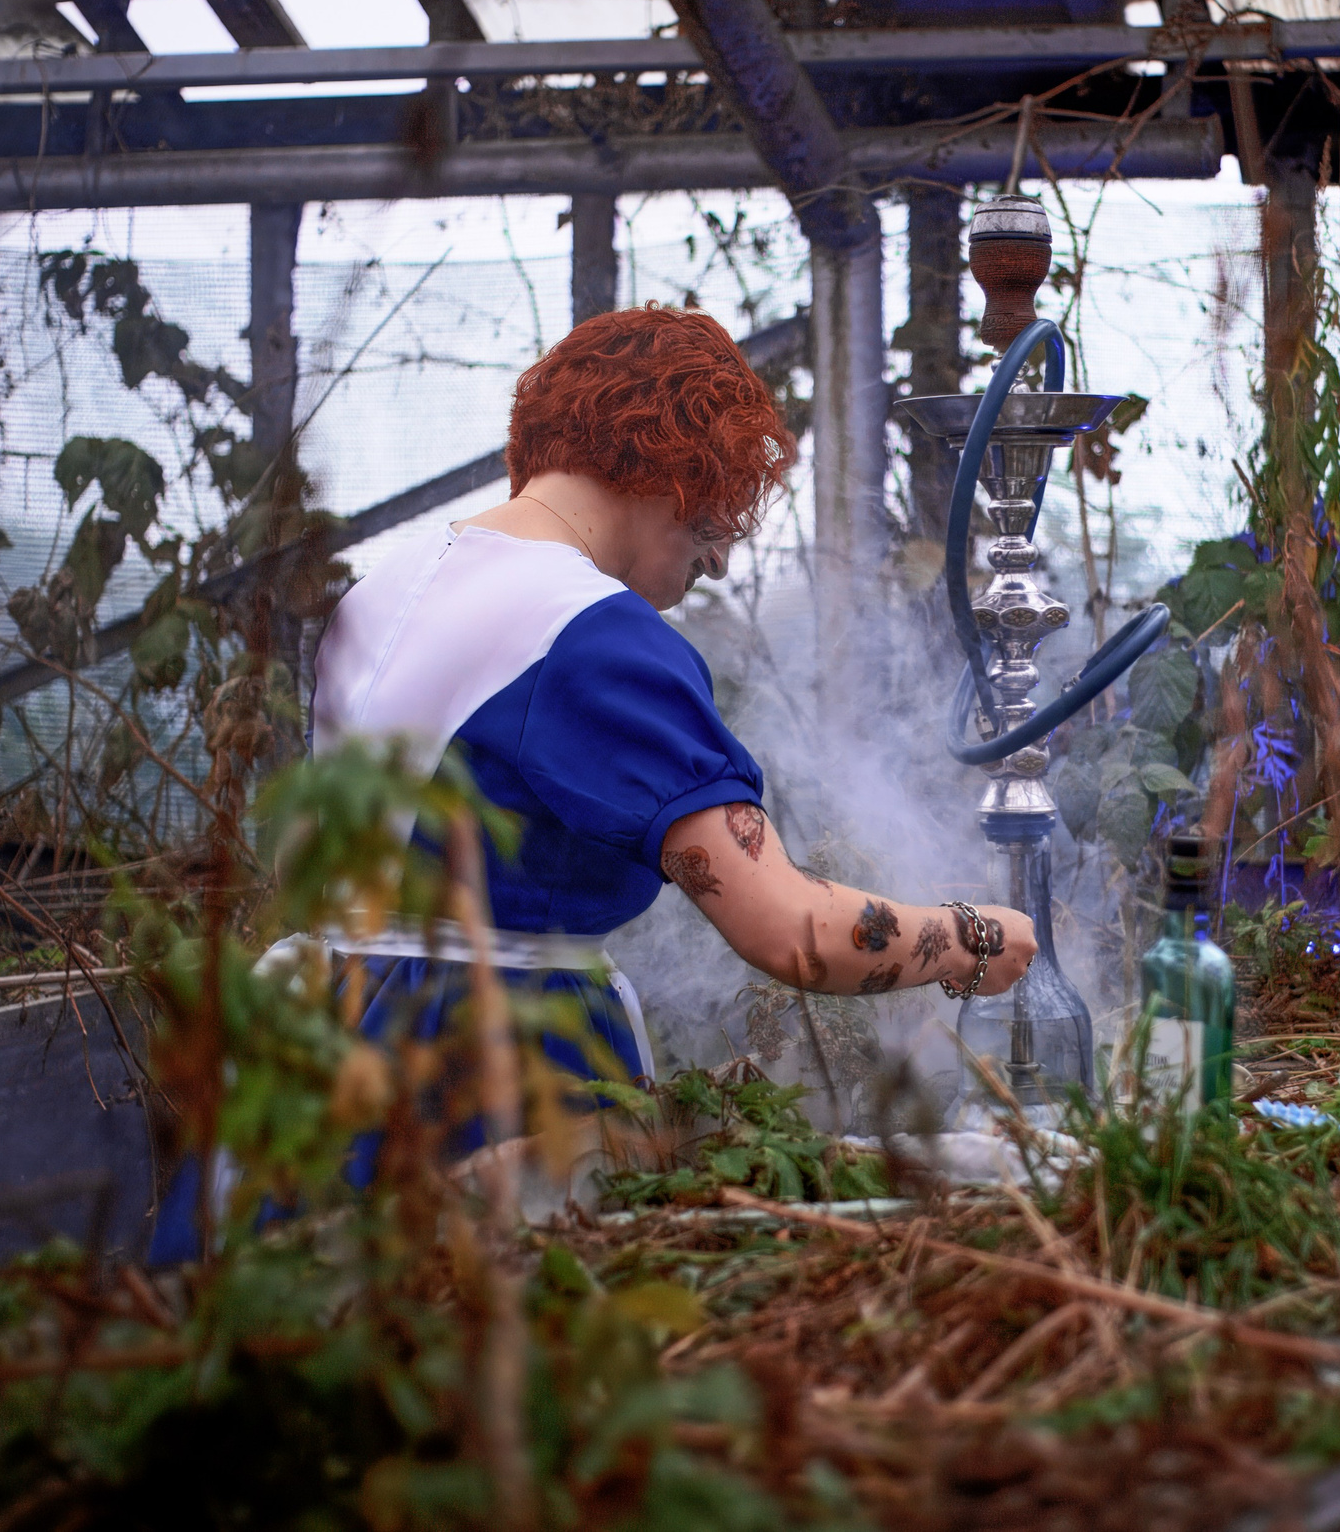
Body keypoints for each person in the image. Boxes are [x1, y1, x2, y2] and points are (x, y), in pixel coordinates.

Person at [309, 304, 1036, 1123]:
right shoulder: (589, 634)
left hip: (319, 1050)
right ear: (668, 465)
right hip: (483, 1075)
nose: (720, 558)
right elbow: (793, 929)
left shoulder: (377, 596)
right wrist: (972, 938)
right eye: (716, 512)